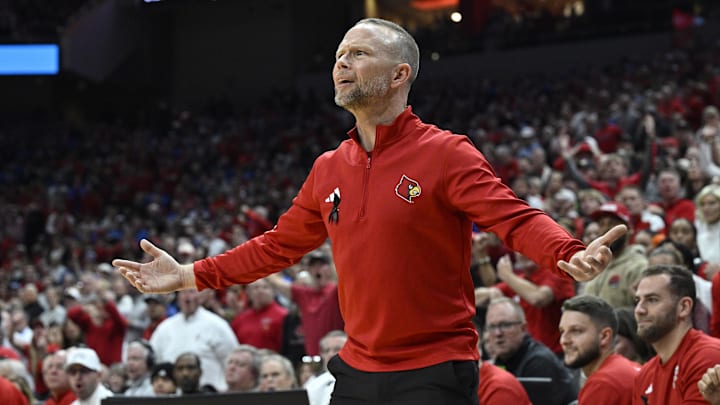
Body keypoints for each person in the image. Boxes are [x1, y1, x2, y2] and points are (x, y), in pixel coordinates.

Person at [113, 17, 626, 405]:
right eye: (339, 55)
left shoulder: (445, 153)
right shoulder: (328, 167)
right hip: (356, 370)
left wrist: (566, 251)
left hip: (434, 369)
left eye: (357, 54)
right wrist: (189, 276)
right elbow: (276, 246)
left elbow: (512, 216)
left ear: (400, 73)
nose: (341, 63)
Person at [632, 265, 720, 404]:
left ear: (684, 307)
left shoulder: (707, 357)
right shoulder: (644, 375)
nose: (639, 310)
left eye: (652, 299)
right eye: (637, 301)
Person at [484, 297, 577, 405]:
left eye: (505, 325)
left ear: (523, 328)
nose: (498, 333)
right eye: (492, 326)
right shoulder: (501, 359)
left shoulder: (539, 362)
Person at [148, 289, 238, 391]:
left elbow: (232, 360)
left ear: (200, 296)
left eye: (191, 292)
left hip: (210, 395)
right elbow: (153, 362)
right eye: (183, 293)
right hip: (173, 396)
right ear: (178, 298)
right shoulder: (164, 328)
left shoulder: (217, 325)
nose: (187, 298)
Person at [559, 295, 639, 404]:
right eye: (562, 331)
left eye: (576, 331)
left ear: (604, 336)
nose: (564, 340)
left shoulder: (603, 383)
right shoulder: (628, 367)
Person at [268, 250, 344, 356]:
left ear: (329, 268)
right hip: (313, 358)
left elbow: (343, 276)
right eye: (313, 266)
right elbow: (275, 281)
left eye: (321, 265)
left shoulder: (336, 290)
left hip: (337, 354)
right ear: (308, 270)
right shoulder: (303, 294)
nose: (317, 269)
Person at [581, 202, 647, 308]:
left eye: (612, 224)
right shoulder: (592, 263)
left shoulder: (638, 265)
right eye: (602, 224)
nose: (606, 229)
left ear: (629, 230)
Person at [230, 277, 288, 352]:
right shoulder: (240, 319)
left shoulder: (283, 316)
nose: (260, 291)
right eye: (255, 288)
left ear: (273, 291)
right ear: (248, 292)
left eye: (265, 287)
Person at [306, 330, 348, 405]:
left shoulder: (360, 380)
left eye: (337, 349)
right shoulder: (313, 382)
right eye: (326, 350)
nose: (330, 354)